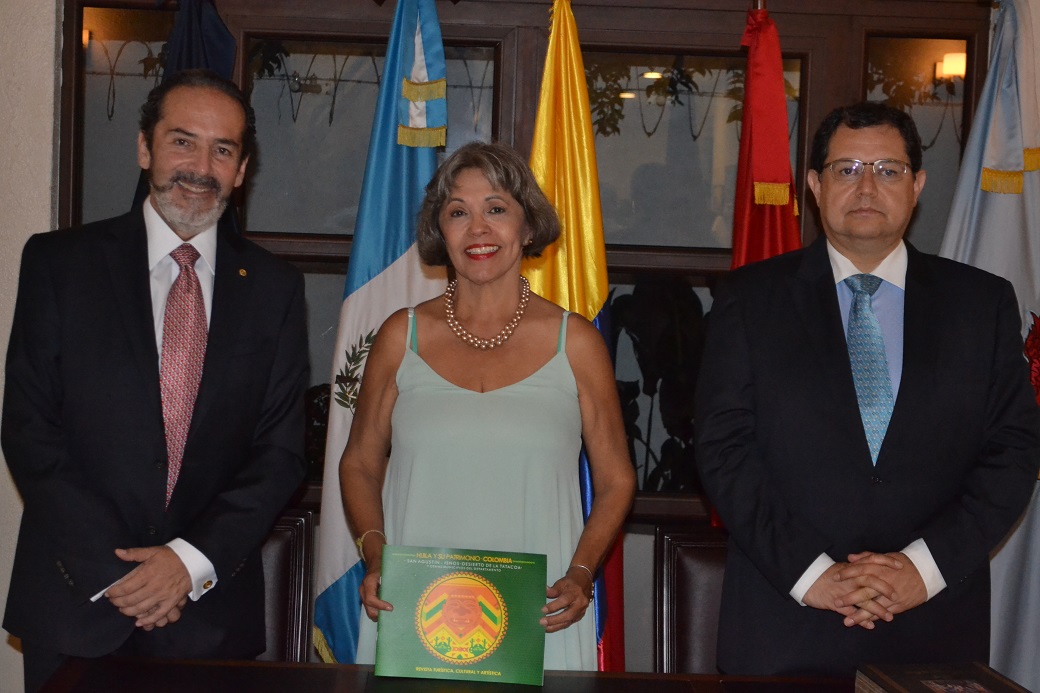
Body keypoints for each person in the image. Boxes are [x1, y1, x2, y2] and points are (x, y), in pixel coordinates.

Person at [694, 101, 1040, 677]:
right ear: (814, 184)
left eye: (887, 170)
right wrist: (814, 576)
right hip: (785, 623)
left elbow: (1012, 453)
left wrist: (920, 571)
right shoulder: (749, 301)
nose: (866, 187)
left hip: (933, 623)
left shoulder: (982, 304)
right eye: (846, 169)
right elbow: (724, 452)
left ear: (918, 184)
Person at [2, 69, 309, 691]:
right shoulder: (59, 264)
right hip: (73, 605)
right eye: (182, 141)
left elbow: (279, 455)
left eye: (223, 149)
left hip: (210, 618)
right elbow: (30, 430)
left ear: (242, 168)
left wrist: (186, 565)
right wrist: (120, 575)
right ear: (145, 148)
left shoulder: (276, 288)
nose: (201, 166)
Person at [339, 141, 636, 671]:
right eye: (458, 213)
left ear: (527, 227)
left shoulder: (578, 343)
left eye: (496, 209)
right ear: (440, 233)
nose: (478, 229)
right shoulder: (398, 336)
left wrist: (582, 573)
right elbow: (359, 462)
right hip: (415, 617)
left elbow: (616, 479)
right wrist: (378, 555)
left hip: (539, 617)